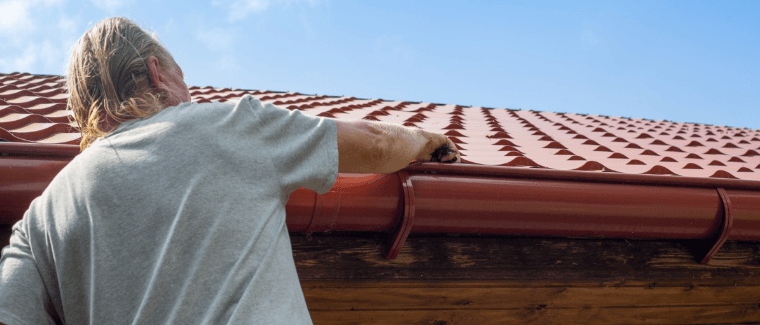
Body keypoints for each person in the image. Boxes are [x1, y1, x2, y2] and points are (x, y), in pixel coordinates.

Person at [0, 17, 460, 325]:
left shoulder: (41, 219)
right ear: (158, 74)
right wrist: (427, 141)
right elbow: (378, 146)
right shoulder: (230, 125)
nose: (191, 96)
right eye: (184, 79)